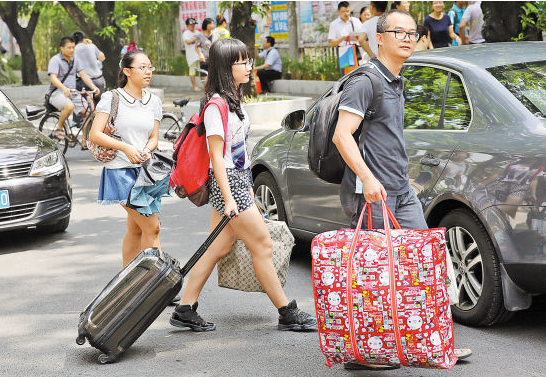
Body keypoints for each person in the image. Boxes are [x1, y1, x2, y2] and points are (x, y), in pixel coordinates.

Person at [332, 9, 472, 371]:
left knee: (423, 268)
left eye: (413, 32)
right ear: (379, 37)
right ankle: (363, 352)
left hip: (400, 192)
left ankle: (431, 344)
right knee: (376, 277)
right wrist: (369, 178)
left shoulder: (396, 79)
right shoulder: (366, 81)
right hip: (374, 195)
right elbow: (341, 135)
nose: (408, 37)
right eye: (399, 31)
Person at [170, 38, 316, 333]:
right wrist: (230, 197)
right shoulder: (216, 106)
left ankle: (185, 307)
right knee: (262, 244)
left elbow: (241, 154)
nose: (249, 66)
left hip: (238, 183)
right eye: (242, 62)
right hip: (228, 185)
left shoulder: (235, 101)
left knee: (217, 247)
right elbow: (216, 159)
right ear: (226, 67)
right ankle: (286, 311)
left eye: (249, 60)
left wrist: (248, 186)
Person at [88, 50, 163, 268]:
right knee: (153, 226)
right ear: (127, 71)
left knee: (136, 228)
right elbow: (95, 134)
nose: (148, 71)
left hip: (145, 172)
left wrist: (147, 150)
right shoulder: (112, 98)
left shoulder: (154, 101)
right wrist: (126, 147)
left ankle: (127, 280)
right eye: (142, 67)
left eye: (150, 67)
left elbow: (154, 137)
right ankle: (157, 282)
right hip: (120, 171)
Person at [47, 36, 100, 141]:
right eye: (69, 47)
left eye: (73, 47)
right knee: (69, 106)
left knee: (90, 112)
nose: (72, 50)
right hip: (57, 93)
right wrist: (64, 88)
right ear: (62, 48)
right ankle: (59, 129)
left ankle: (84, 140)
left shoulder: (75, 60)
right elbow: (53, 78)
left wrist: (94, 87)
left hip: (73, 93)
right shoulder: (55, 60)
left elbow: (83, 75)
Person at [328, 1, 362, 73]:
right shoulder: (334, 24)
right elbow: (332, 43)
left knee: (358, 74)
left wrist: (356, 36)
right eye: (343, 11)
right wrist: (343, 38)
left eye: (347, 11)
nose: (346, 14)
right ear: (338, 11)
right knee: (345, 75)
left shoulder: (355, 21)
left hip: (355, 50)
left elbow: (363, 36)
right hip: (343, 52)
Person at [72, 31, 106, 97]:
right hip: (98, 81)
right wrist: (91, 44)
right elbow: (102, 58)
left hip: (82, 82)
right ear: (84, 39)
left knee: (83, 105)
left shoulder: (72, 51)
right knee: (100, 104)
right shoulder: (92, 46)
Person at [183, 18, 201, 92]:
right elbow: (188, 42)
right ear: (187, 25)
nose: (193, 26)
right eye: (191, 24)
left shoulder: (197, 32)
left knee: (203, 71)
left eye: (194, 24)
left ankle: (206, 86)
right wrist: (196, 38)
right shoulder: (186, 33)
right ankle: (194, 86)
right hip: (191, 55)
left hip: (199, 54)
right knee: (192, 71)